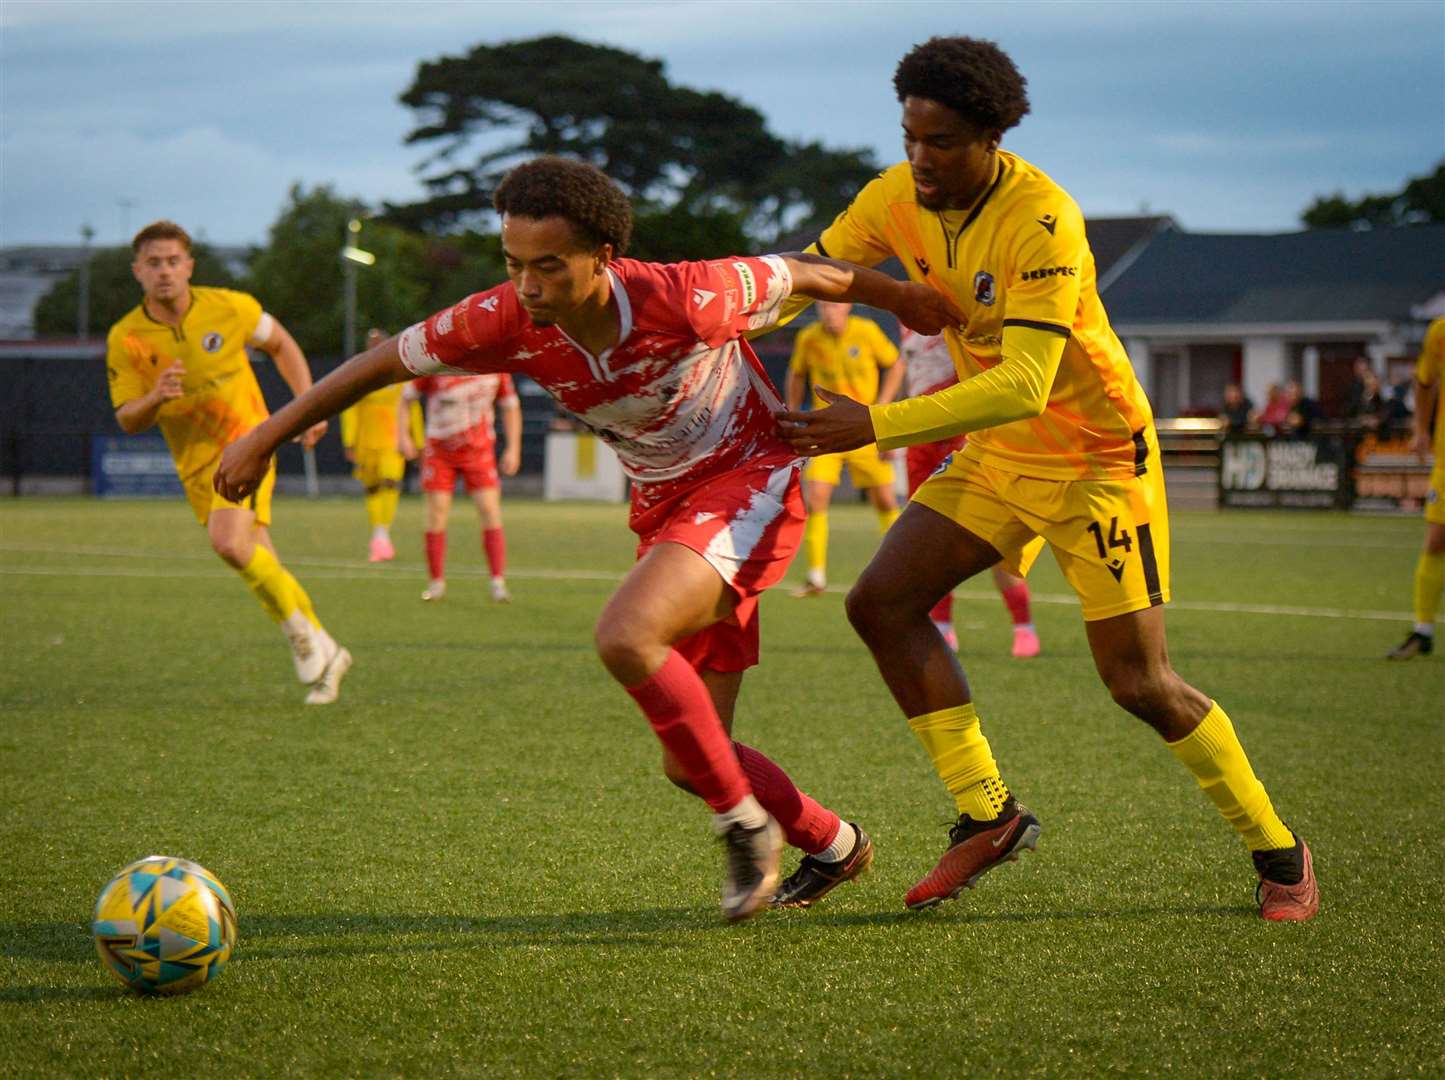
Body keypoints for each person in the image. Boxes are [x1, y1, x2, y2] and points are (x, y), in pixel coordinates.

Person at [215, 156, 959, 922]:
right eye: (513, 264)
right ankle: (834, 843)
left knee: (625, 635)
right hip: (669, 516)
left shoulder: (689, 295)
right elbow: (378, 365)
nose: (528, 285)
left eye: (548, 267)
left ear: (603, 259)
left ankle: (746, 829)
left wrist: (901, 296)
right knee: (689, 758)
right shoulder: (504, 319)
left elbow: (811, 273)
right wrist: (267, 436)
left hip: (751, 483)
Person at [773, 37, 1317, 921]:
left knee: (1140, 686)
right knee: (879, 602)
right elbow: (810, 272)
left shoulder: (1043, 220)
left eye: (941, 141)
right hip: (998, 455)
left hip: (1095, 463)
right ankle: (986, 815)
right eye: (909, 135)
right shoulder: (892, 193)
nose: (919, 158)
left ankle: (1278, 848)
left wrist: (869, 422)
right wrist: (708, 322)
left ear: (991, 136)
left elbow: (1025, 382)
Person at [106, 220, 351, 705]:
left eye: (173, 261)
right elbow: (128, 419)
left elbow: (280, 342)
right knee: (258, 559)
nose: (165, 272)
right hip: (195, 465)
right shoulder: (127, 337)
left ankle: (300, 635)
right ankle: (327, 646)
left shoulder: (230, 307)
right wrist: (155, 397)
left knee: (228, 543)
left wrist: (306, 404)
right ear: (138, 271)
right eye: (153, 263)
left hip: (249, 444)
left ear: (190, 266)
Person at [898, 328, 1040, 657]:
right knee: (924, 537)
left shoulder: (954, 302)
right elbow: (911, 369)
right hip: (920, 434)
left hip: (964, 428)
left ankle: (1023, 625)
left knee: (994, 538)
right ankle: (942, 627)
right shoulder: (904, 312)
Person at [785, 301, 904, 596]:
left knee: (886, 501)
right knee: (817, 496)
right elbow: (797, 373)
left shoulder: (866, 331)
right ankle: (816, 576)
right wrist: (791, 412)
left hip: (866, 429)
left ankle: (900, 572)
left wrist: (883, 406)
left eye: (834, 306)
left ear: (847, 307)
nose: (829, 311)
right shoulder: (809, 337)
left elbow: (896, 364)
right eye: (823, 306)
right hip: (826, 431)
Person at [398, 370, 521, 603]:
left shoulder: (495, 366)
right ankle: (436, 584)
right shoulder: (439, 362)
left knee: (490, 512)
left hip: (479, 451)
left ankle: (498, 582)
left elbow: (511, 406)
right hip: (440, 451)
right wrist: (403, 436)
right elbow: (406, 397)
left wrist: (514, 448)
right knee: (436, 515)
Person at [1387, 317, 1445, 659]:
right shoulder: (1439, 332)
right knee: (1437, 539)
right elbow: (1425, 382)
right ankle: (1423, 630)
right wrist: (1421, 429)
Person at [340, 327, 408, 563]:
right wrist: (349, 440)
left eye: (380, 343)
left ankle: (382, 533)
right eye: (372, 343)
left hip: (392, 439)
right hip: (367, 440)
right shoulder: (361, 373)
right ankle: (380, 535)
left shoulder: (400, 373)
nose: (375, 346)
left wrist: (414, 439)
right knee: (372, 487)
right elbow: (351, 408)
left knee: (390, 481)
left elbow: (409, 406)